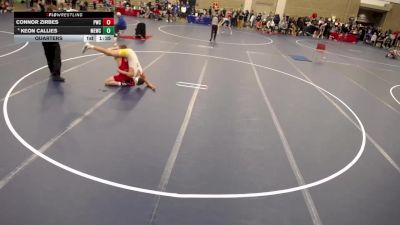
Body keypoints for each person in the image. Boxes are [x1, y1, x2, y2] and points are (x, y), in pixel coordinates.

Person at [81, 43, 156, 90]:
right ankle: (90, 46)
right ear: (137, 78)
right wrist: (120, 71)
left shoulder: (140, 71)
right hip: (128, 53)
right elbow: (128, 74)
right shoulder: (132, 74)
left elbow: (144, 78)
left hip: (130, 52)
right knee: (108, 52)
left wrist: (149, 84)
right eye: (135, 81)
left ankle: (114, 46)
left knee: (109, 52)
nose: (135, 80)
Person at [42, 0, 65, 82]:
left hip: (46, 41)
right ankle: (55, 73)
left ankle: (53, 72)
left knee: (51, 56)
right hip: (50, 41)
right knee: (55, 57)